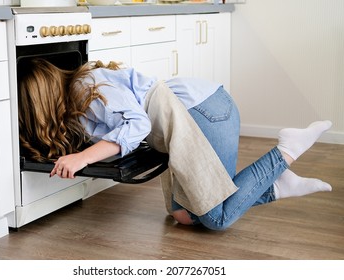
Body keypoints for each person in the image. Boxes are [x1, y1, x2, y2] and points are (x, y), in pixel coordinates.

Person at [18, 58, 332, 231]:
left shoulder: (86, 87)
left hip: (202, 111)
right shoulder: (78, 101)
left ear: (41, 101)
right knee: (183, 216)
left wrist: (83, 158)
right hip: (182, 121)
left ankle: (284, 153)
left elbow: (138, 125)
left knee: (216, 217)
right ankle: (276, 185)